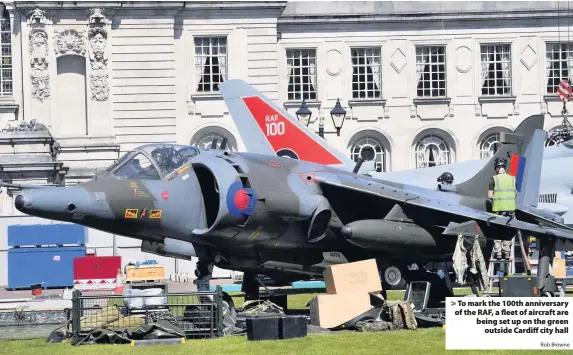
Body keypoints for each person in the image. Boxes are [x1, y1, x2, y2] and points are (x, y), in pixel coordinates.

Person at [488, 157, 517, 259]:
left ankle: (498, 252)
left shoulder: (494, 179)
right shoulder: (513, 179)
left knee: (497, 231)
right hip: (510, 209)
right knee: (507, 230)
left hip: (498, 209)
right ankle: (507, 252)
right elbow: (515, 193)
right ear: (504, 167)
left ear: (496, 168)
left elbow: (490, 196)